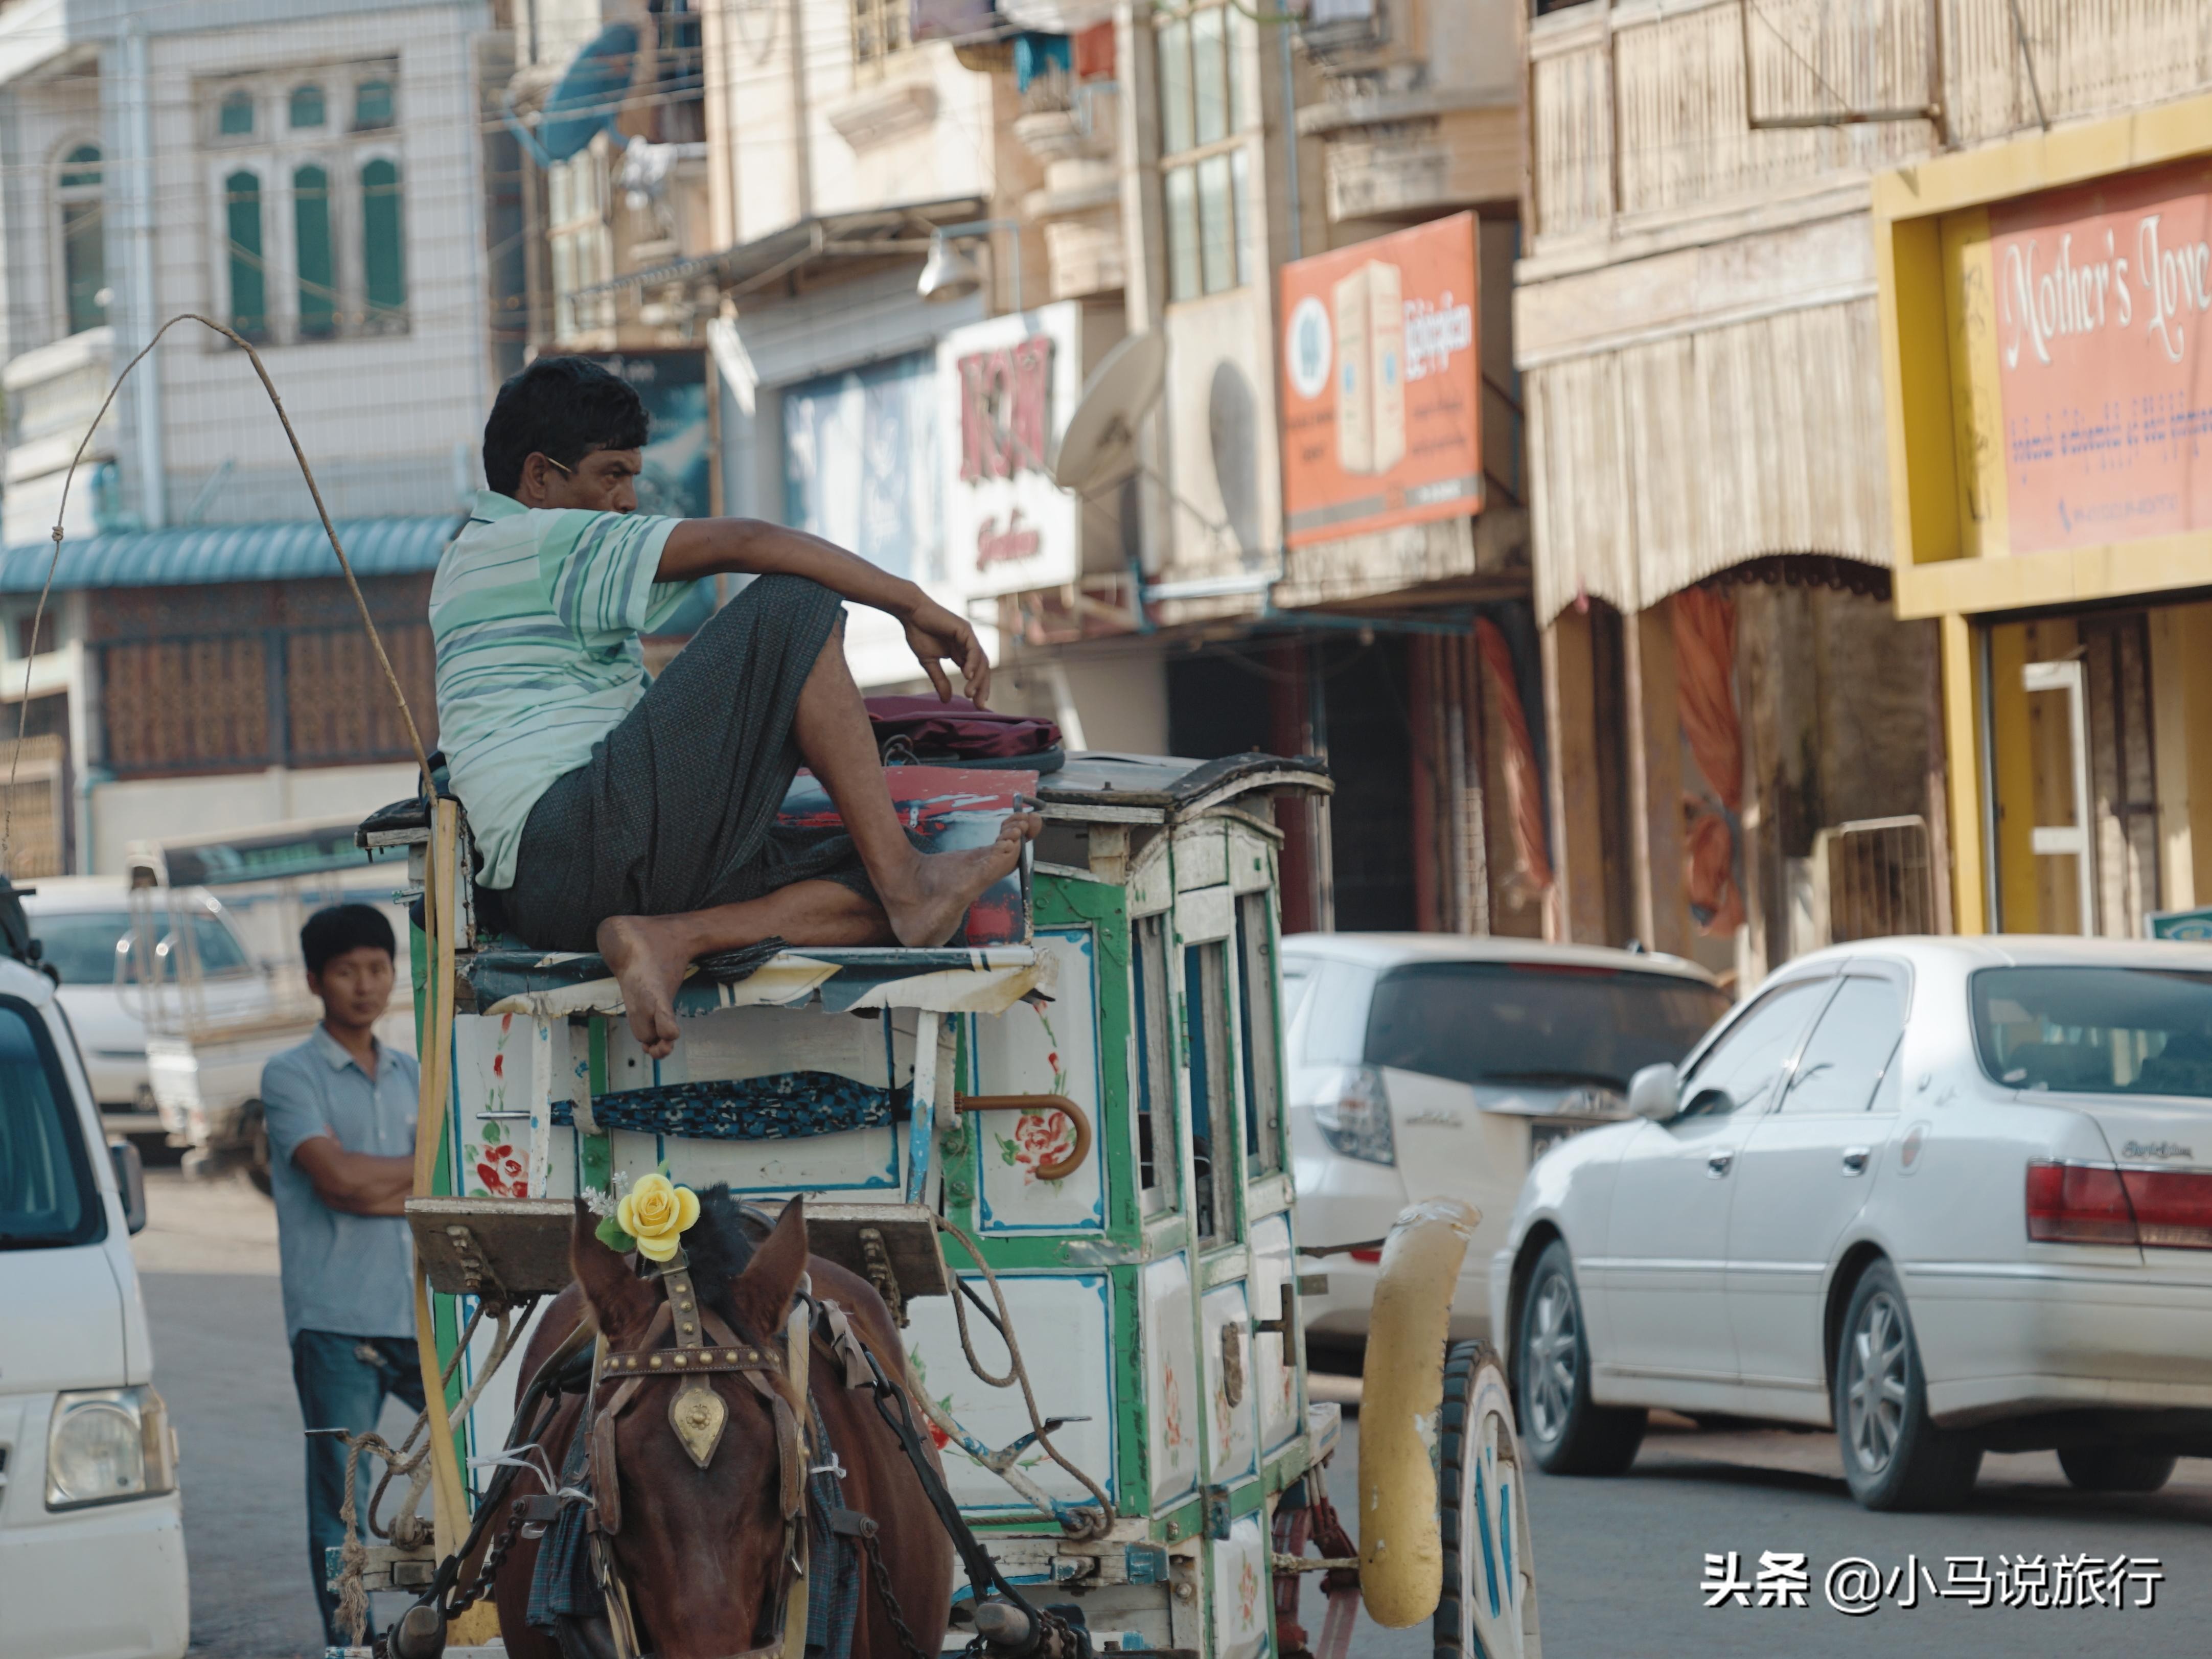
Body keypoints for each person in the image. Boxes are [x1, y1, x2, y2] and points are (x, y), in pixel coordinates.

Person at [431, 356, 1036, 1060]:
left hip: (565, 894)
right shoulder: (534, 541)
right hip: (572, 839)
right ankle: (906, 881)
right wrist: (911, 603)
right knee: (792, 603)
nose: (628, 499)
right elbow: (750, 544)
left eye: (633, 476)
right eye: (611, 476)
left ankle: (674, 936)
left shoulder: (483, 559)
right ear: (540, 477)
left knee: (879, 892)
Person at [259, 904, 423, 1648]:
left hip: (420, 1313)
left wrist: (381, 1183)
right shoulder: (289, 1074)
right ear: (315, 981)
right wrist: (412, 1179)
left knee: (480, 1462)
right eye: (348, 970)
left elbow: (384, 1184)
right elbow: (340, 1183)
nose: (366, 984)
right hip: (333, 1322)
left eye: (379, 967)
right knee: (342, 1504)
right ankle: (351, 1643)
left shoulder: (416, 1075)